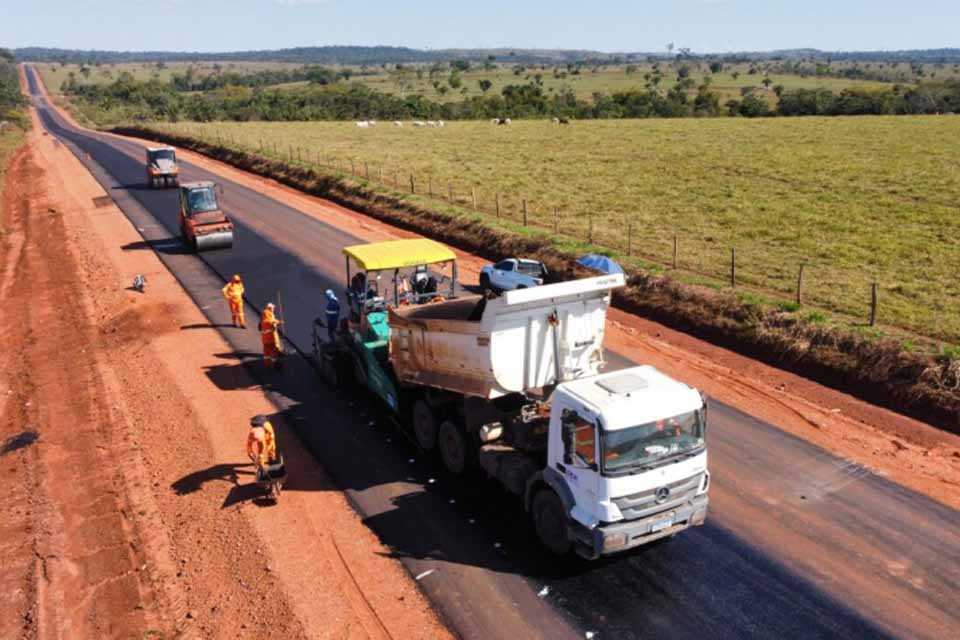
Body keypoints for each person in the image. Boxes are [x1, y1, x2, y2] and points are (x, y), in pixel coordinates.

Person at [260, 302, 283, 368]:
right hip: (270, 338)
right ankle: (274, 364)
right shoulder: (268, 319)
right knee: (273, 352)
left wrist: (277, 321)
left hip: (265, 340)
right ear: (270, 308)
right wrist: (280, 322)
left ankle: (267, 364)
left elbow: (273, 320)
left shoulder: (265, 318)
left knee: (266, 353)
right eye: (273, 308)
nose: (273, 309)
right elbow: (272, 322)